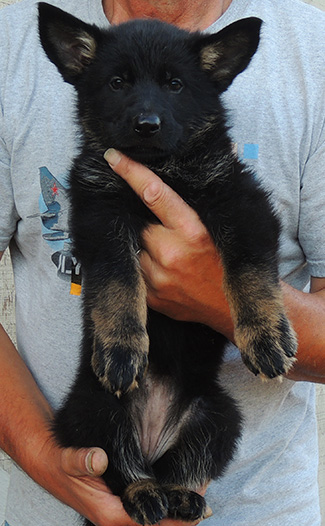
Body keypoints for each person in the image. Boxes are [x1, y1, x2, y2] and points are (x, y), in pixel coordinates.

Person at [0, 0, 324, 525]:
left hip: (255, 496)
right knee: (97, 411)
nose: (147, 112)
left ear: (215, 75)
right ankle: (135, 486)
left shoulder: (315, 50)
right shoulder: (6, 44)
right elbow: (104, 249)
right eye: (119, 83)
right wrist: (48, 462)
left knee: (216, 421)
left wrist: (239, 304)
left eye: (174, 85)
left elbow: (248, 226)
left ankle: (174, 485)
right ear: (77, 67)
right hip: (76, 463)